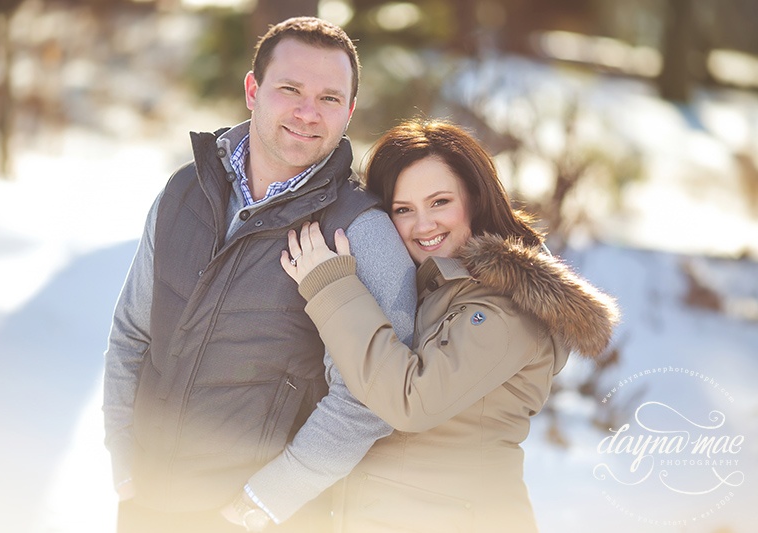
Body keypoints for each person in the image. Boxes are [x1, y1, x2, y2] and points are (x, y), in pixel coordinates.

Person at [102, 17, 417, 533]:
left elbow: (371, 398)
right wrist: (123, 459)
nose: (308, 113)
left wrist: (259, 506)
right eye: (290, 89)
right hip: (145, 504)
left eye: (330, 98)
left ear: (350, 111)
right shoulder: (183, 192)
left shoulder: (363, 232)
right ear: (253, 90)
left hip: (258, 519)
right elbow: (132, 333)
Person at [281, 118, 621, 532]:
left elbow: (411, 400)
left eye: (439, 202)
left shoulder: (506, 309)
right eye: (403, 210)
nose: (423, 225)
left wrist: (331, 288)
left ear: (475, 199)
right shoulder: (435, 289)